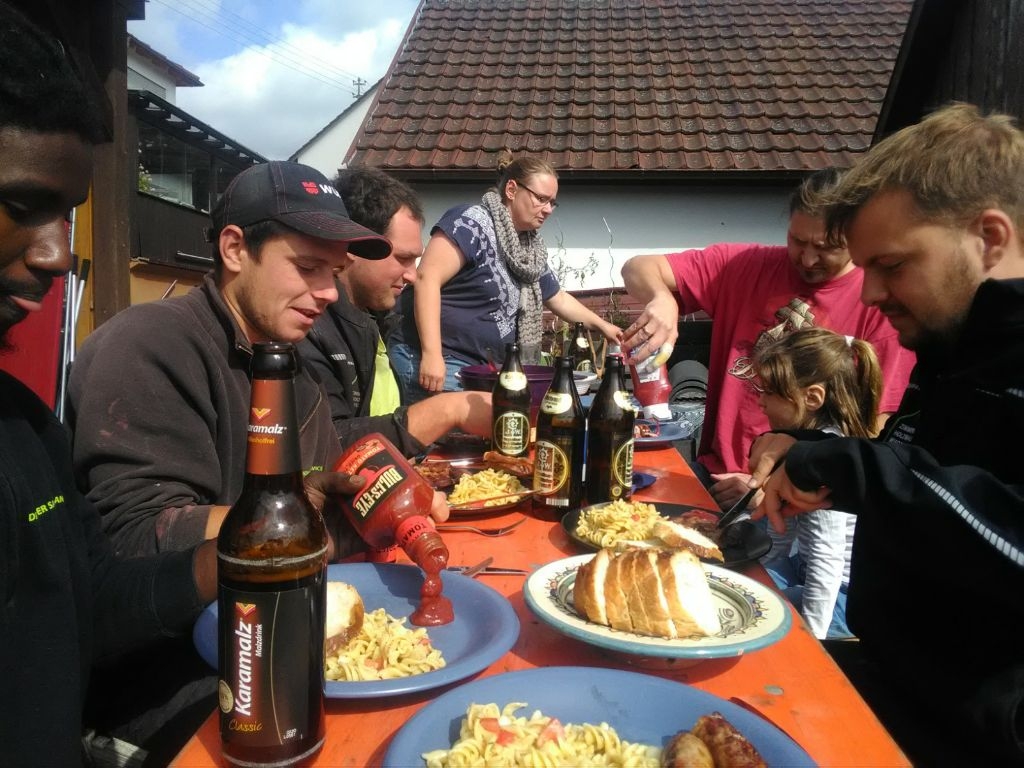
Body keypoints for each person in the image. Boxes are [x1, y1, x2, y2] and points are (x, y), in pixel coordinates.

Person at [65, 159, 450, 756]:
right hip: (171, 697)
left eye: (336, 272)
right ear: (235, 248)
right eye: (307, 267)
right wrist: (299, 519)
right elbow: (135, 542)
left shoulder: (291, 378)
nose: (327, 293)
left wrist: (385, 508)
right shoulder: (147, 346)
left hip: (290, 663)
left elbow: (321, 510)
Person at [747, 103, 1024, 765]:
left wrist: (852, 466)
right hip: (888, 688)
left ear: (989, 237)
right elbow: (922, 476)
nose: (869, 294)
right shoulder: (958, 350)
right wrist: (814, 451)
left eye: (892, 265)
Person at [620, 169, 915, 509]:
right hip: (714, 476)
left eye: (826, 248)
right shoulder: (745, 265)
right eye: (797, 241)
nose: (807, 259)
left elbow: (873, 429)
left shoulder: (879, 302)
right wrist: (662, 299)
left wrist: (775, 481)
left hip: (800, 498)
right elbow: (637, 267)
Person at [388, 149, 620, 402]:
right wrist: (431, 355)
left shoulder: (528, 250)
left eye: (553, 202)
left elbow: (557, 298)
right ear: (511, 190)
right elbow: (427, 279)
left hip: (483, 370)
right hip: (438, 361)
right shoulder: (471, 223)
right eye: (541, 198)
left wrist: (603, 326)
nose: (548, 209)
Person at [297, 167, 492, 455]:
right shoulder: (307, 329)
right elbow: (326, 446)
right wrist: (448, 410)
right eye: (402, 258)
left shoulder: (373, 319)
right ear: (353, 245)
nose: (413, 275)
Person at [749, 327, 882, 640]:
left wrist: (814, 641)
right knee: (740, 583)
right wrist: (758, 571)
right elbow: (783, 531)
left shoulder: (822, 466)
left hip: (839, 597)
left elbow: (828, 560)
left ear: (812, 398)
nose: (761, 403)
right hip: (803, 567)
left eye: (769, 392)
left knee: (754, 613)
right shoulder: (799, 447)